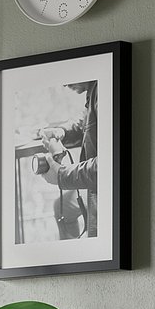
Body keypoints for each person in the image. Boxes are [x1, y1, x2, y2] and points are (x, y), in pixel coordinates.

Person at [33, 83, 97, 240]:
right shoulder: (94, 91)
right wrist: (61, 131)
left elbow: (109, 168)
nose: (65, 84)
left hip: (106, 192)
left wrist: (62, 175)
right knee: (62, 207)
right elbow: (84, 121)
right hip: (95, 186)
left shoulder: (104, 91)